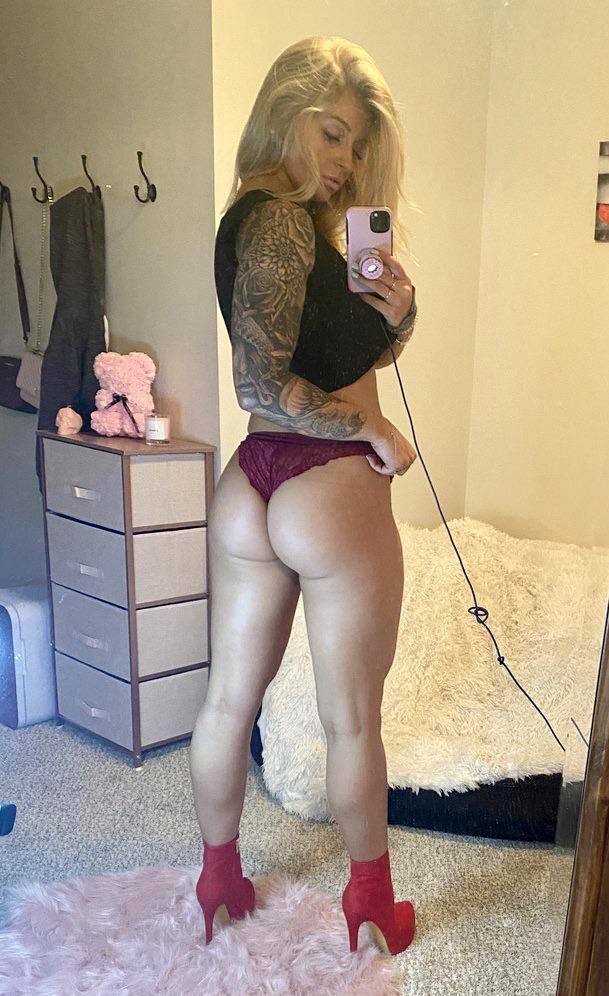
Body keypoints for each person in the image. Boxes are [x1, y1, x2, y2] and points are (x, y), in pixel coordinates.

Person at [190, 35, 419, 957]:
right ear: (284, 112)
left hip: (251, 485)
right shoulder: (280, 222)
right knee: (351, 718)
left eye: (356, 147)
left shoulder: (280, 228)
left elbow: (326, 357)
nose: (344, 161)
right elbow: (258, 382)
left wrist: (396, 317)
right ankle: (373, 904)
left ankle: (219, 879)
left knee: (225, 701)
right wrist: (369, 430)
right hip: (322, 482)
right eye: (331, 133)